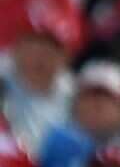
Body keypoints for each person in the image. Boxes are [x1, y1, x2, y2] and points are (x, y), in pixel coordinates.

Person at [0, 8, 79, 156]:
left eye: (49, 48)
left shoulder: (76, 94)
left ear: (65, 56)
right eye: (32, 44)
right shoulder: (2, 78)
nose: (39, 56)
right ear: (17, 46)